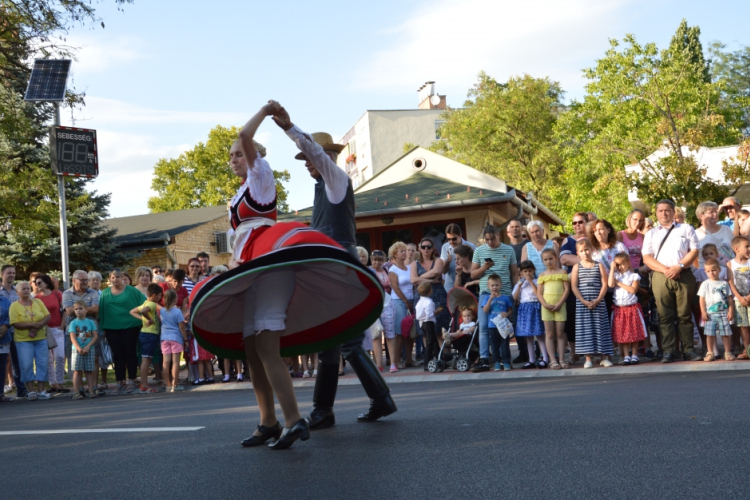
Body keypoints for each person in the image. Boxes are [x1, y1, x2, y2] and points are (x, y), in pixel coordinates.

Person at [190, 102, 383, 450]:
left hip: (322, 261)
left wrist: (276, 118)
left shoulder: (287, 176)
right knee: (254, 349)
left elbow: (255, 139)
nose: (233, 159)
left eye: (238, 155)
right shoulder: (252, 193)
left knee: (331, 341)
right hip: (270, 263)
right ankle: (272, 421)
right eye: (231, 156)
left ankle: (300, 418)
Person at [275, 101, 396, 430]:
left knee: (347, 340)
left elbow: (313, 153)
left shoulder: (336, 179)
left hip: (337, 266)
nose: (306, 165)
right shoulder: (323, 189)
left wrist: (289, 128)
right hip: (331, 265)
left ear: (325, 156)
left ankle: (368, 402)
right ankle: (325, 410)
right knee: (329, 337)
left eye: (309, 159)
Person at [642, 199, 702, 363]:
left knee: (684, 314)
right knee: (665, 316)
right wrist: (666, 270)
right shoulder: (651, 233)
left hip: (683, 273)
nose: (664, 213)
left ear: (673, 211)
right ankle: (668, 350)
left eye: (667, 210)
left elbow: (695, 250)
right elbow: (647, 257)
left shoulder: (686, 228)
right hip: (661, 275)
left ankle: (688, 349)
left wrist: (679, 266)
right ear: (656, 213)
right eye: (660, 211)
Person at [470, 225, 518, 372]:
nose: (490, 242)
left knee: (505, 328)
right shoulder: (479, 250)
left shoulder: (508, 250)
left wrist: (515, 292)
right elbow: (472, 274)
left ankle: (505, 359)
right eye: (487, 239)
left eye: (493, 238)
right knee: (484, 327)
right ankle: (485, 358)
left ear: (498, 235)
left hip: (504, 294)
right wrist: (484, 267)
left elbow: (514, 273)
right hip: (486, 293)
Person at [99, 270, 146, 393]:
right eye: (112, 277)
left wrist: (144, 319)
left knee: (130, 352)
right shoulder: (105, 293)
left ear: (123, 278)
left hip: (131, 326)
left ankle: (131, 379)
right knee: (117, 355)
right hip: (111, 328)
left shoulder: (132, 290)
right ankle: (119, 381)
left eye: (117, 277)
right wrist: (103, 327)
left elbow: (144, 304)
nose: (115, 279)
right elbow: (102, 311)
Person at [572, 238, 613, 368]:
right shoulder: (576, 267)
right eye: (581, 251)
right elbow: (574, 286)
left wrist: (599, 299)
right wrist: (583, 301)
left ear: (592, 250)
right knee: (585, 330)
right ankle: (588, 358)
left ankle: (603, 357)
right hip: (583, 303)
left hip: (598, 302)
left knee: (601, 328)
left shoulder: (599, 265)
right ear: (577, 253)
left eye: (587, 249)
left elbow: (605, 284)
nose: (585, 253)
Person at [9, 282, 51, 400]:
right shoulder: (14, 306)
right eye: (23, 289)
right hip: (23, 340)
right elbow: (15, 323)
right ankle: (31, 391)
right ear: (17, 292)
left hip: (40, 338)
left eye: (28, 288)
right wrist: (33, 325)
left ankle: (41, 391)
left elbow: (47, 316)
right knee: (26, 365)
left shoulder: (38, 302)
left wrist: (39, 325)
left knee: (42, 364)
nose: (27, 290)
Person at [411, 237, 448, 364]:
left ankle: (443, 355)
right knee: (425, 329)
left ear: (433, 249)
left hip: (438, 295)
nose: (426, 249)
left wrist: (420, 277)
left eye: (428, 247)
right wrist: (431, 280)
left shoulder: (438, 260)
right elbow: (412, 280)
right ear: (419, 248)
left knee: (439, 328)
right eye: (423, 247)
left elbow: (437, 270)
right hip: (421, 297)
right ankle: (430, 357)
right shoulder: (414, 264)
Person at [62, 270, 100, 392]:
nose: (85, 282)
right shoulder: (67, 293)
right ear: (74, 280)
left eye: (86, 280)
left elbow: (96, 309)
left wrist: (78, 309)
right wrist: (86, 308)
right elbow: (68, 310)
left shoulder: (93, 292)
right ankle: (78, 389)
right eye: (82, 280)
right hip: (73, 332)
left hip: (91, 331)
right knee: (75, 362)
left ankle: (93, 386)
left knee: (94, 359)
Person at [559, 212, 589, 363]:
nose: (577, 225)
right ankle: (574, 353)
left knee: (590, 319)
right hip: (572, 286)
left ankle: (592, 353)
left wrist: (576, 260)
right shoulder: (567, 240)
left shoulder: (593, 239)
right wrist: (587, 260)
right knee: (571, 320)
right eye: (574, 223)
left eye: (580, 222)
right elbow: (564, 259)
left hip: (591, 285)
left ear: (586, 222)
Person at [608, 253, 648, 365]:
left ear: (628, 263)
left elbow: (633, 290)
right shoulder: (615, 275)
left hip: (631, 308)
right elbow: (610, 284)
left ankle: (634, 355)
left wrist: (619, 283)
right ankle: (626, 355)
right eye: (617, 265)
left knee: (633, 333)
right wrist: (612, 269)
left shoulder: (633, 276)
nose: (620, 267)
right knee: (623, 334)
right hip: (620, 309)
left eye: (622, 264)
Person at [537, 249, 571, 369]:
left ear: (556, 258)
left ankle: (562, 359)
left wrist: (561, 303)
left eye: (550, 258)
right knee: (550, 334)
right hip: (547, 307)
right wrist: (544, 304)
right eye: (545, 259)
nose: (548, 261)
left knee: (560, 333)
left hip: (560, 306)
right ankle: (552, 360)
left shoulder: (562, 272)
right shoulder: (542, 275)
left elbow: (566, 289)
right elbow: (539, 292)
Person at [33, 275, 67, 393]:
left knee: (60, 356)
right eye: (36, 283)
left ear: (46, 283)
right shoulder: (36, 298)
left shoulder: (57, 295)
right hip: (44, 330)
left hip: (57, 329)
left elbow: (65, 311)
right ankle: (53, 384)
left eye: (39, 282)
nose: (37, 285)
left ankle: (60, 383)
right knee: (48, 359)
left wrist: (62, 326)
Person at [513, 260, 547, 369]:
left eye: (530, 271)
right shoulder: (520, 284)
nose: (528, 273)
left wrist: (531, 282)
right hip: (524, 308)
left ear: (533, 271)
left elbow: (538, 294)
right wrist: (519, 285)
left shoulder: (537, 281)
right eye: (525, 271)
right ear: (521, 273)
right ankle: (531, 360)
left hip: (535, 307)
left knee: (540, 335)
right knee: (528, 337)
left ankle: (545, 358)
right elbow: (515, 297)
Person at [130, 283, 164, 394]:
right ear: (154, 295)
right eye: (159, 296)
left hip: (144, 333)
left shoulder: (145, 302)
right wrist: (148, 319)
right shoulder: (153, 304)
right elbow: (144, 311)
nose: (160, 298)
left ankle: (143, 384)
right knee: (146, 359)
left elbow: (132, 312)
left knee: (145, 358)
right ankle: (143, 385)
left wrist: (143, 320)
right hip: (150, 334)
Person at [699, 258, 734, 362]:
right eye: (708, 271)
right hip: (710, 313)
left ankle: (727, 352)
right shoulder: (705, 284)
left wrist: (731, 310)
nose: (711, 273)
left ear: (719, 269)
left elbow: (729, 298)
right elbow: (702, 299)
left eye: (713, 270)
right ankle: (710, 352)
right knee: (710, 334)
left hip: (723, 313)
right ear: (705, 272)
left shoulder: (724, 284)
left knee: (726, 333)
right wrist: (703, 312)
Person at [0, 265, 26, 398]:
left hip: (17, 331)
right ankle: (1, 392)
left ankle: (21, 389)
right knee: (3, 362)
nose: (12, 275)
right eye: (9, 273)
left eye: (13, 273)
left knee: (18, 361)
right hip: (2, 333)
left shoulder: (18, 291)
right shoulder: (0, 292)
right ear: (2, 274)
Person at [480, 274, 514, 371]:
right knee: (494, 346)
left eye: (497, 285)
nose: (495, 287)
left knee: (504, 345)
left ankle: (506, 362)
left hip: (503, 326)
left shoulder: (505, 298)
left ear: (501, 285)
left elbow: (511, 310)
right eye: (492, 285)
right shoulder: (487, 298)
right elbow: (485, 310)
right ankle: (496, 363)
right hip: (492, 326)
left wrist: (506, 314)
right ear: (488, 286)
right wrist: (490, 299)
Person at [388, 242, 412, 372]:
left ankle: (409, 359)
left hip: (411, 300)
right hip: (399, 301)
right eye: (401, 251)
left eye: (405, 250)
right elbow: (395, 287)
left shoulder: (408, 267)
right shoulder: (393, 269)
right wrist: (405, 300)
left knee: (410, 333)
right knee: (400, 332)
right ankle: (396, 360)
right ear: (395, 254)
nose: (404, 252)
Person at [68, 301, 98, 400]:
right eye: (76, 309)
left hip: (89, 349)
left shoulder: (90, 322)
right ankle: (76, 392)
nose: (78, 311)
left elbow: (95, 336)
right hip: (77, 350)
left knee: (89, 371)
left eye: (80, 308)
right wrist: (79, 348)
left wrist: (88, 346)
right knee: (77, 371)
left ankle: (91, 391)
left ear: (86, 310)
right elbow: (72, 337)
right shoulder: (73, 323)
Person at [159, 289, 187, 392]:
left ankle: (167, 384)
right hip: (176, 338)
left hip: (164, 338)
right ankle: (175, 384)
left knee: (165, 362)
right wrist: (185, 339)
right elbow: (181, 327)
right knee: (175, 362)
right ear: (175, 299)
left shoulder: (162, 310)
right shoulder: (177, 311)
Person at [728, 236, 750, 360]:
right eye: (746, 246)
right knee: (743, 326)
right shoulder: (730, 264)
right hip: (738, 301)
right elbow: (731, 282)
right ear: (736, 249)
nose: (749, 249)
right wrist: (739, 298)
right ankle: (747, 350)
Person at [695, 201, 735, 268]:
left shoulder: (726, 229)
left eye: (716, 212)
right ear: (701, 216)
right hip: (709, 274)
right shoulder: (695, 234)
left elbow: (735, 248)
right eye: (711, 212)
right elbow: (694, 259)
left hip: (730, 271)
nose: (715, 214)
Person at [370, 249, 390, 371]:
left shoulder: (387, 270)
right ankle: (379, 365)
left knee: (388, 332)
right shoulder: (368, 271)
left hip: (387, 303)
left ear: (383, 260)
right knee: (376, 334)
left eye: (379, 260)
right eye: (374, 260)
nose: (377, 262)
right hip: (374, 304)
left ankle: (390, 360)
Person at [441, 223, 476, 293]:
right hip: (450, 283)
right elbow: (443, 271)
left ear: (460, 235)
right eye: (449, 239)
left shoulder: (471, 246)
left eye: (454, 239)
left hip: (468, 283)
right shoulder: (445, 247)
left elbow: (476, 266)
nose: (451, 242)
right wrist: (447, 261)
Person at [415, 281, 437, 370]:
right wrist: (436, 312)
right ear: (429, 291)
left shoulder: (419, 302)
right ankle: (427, 362)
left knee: (434, 341)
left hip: (422, 323)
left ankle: (438, 357)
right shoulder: (429, 302)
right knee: (430, 342)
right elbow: (429, 315)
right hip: (428, 322)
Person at [0, 292, 11, 402]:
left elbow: (9, 315)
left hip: (3, 338)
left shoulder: (5, 301)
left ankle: (1, 394)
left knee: (2, 367)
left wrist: (4, 327)